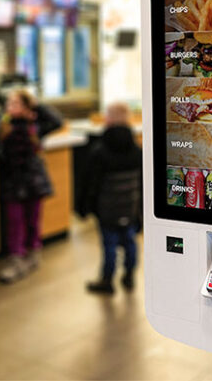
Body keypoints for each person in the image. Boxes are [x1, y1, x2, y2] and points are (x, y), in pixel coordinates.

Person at [0, 90, 62, 283]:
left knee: (33, 219)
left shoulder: (36, 126)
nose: (9, 107)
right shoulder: (3, 127)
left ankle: (33, 253)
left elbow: (57, 121)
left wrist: (36, 104)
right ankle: (16, 258)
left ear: (26, 108)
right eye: (8, 104)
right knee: (14, 221)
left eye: (15, 103)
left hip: (33, 181)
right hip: (12, 182)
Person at [78, 102, 142, 295]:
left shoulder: (99, 151)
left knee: (109, 245)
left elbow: (89, 183)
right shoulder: (136, 150)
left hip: (106, 210)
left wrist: (84, 207)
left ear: (108, 119)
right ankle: (129, 275)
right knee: (130, 241)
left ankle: (107, 280)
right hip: (130, 208)